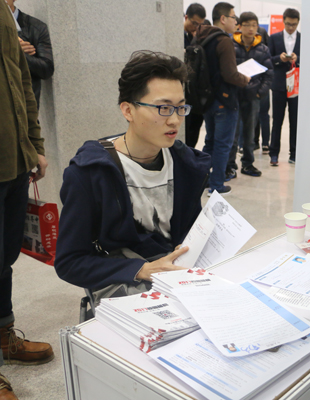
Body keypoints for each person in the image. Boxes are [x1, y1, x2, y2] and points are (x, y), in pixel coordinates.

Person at [55, 51, 211, 305]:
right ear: (128, 110)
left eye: (180, 107)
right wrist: (141, 269)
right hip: (132, 292)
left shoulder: (186, 164)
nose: (175, 120)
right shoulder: (90, 173)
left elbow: (191, 230)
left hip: (182, 283)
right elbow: (70, 262)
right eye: (163, 108)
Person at [1, 2, 52, 398]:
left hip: (13, 161)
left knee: (4, 258)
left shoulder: (5, 13)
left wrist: (34, 143)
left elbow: (21, 81)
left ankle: (4, 335)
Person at [196, 2, 249, 195]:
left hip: (207, 100)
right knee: (222, 144)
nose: (236, 22)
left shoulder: (202, 37)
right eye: (234, 17)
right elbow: (230, 74)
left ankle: (202, 180)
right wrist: (245, 79)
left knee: (210, 142)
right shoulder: (224, 41)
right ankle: (216, 185)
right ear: (223, 18)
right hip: (224, 101)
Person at [225, 11, 273, 178]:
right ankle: (230, 166)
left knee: (249, 134)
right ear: (240, 26)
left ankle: (247, 164)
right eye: (247, 25)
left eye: (254, 25)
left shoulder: (263, 49)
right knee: (232, 133)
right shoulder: (230, 45)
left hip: (253, 97)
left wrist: (260, 93)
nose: (251, 29)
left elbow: (269, 74)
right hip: (234, 96)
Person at [6, 0, 54, 110]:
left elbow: (46, 69)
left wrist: (19, 54)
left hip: (24, 107)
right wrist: (9, 49)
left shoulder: (36, 27)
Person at [268, 8, 300, 166]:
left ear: (298, 23)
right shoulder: (274, 38)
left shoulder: (303, 39)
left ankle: (294, 153)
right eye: (288, 24)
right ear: (283, 21)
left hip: (296, 86)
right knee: (277, 121)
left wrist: (297, 59)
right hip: (279, 84)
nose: (291, 27)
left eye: (294, 24)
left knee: (295, 121)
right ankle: (274, 153)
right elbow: (268, 58)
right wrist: (279, 58)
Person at [183, 3, 206, 148]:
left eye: (200, 25)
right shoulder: (177, 36)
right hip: (183, 92)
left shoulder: (199, 37)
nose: (196, 27)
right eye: (194, 23)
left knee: (194, 130)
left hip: (196, 93)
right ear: (186, 18)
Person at [254, 25, 271, 154]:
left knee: (259, 115)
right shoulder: (265, 51)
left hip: (258, 86)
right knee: (262, 115)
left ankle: (256, 143)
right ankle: (264, 144)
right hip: (262, 85)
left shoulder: (262, 51)